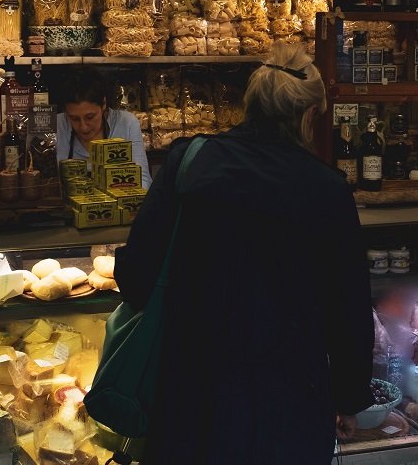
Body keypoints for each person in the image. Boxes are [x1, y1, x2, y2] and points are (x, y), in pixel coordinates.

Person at [113, 44, 374, 463]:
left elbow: (135, 275)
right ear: (308, 116)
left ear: (248, 104)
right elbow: (349, 309)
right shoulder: (327, 189)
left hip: (193, 391)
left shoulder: (188, 160)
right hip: (288, 400)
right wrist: (349, 398)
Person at [55, 64, 152, 188]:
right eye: (74, 118)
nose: (83, 127)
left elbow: (143, 180)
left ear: (104, 104)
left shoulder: (126, 123)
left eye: (90, 117)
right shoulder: (57, 126)